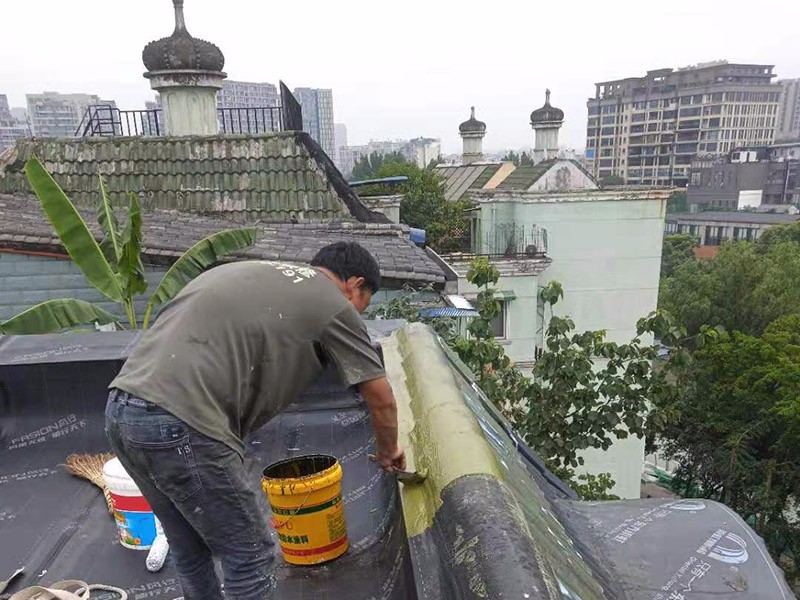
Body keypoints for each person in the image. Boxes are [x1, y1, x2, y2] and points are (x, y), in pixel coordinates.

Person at [104, 241, 406, 600]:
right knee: (250, 555)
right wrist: (389, 452)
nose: (358, 313)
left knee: (189, 549)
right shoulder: (333, 304)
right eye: (363, 303)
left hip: (121, 413)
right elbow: (381, 399)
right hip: (182, 423)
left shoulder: (254, 273)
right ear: (355, 285)